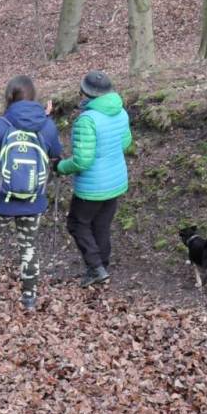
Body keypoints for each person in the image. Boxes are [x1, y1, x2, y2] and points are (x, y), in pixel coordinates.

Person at [0, 75, 62, 311]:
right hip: (33, 199)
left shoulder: (0, 125)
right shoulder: (46, 125)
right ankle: (29, 296)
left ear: (9, 96)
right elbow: (56, 154)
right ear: (34, 96)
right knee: (28, 245)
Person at [57, 70, 132, 287]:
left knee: (76, 223)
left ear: (86, 93)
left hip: (93, 186)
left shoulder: (87, 120)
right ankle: (102, 267)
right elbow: (125, 143)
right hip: (115, 181)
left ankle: (96, 267)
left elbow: (82, 161)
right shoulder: (121, 112)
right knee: (101, 225)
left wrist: (60, 167)